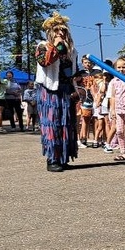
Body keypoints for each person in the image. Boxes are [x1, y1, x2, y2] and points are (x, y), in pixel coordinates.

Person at [35, 12, 80, 172]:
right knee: (52, 124)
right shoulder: (42, 46)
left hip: (66, 90)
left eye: (64, 30)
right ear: (50, 32)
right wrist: (57, 45)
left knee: (66, 125)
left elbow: (74, 72)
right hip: (49, 92)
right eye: (57, 30)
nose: (61, 33)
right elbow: (45, 61)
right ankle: (52, 159)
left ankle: (63, 157)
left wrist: (76, 89)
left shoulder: (72, 51)